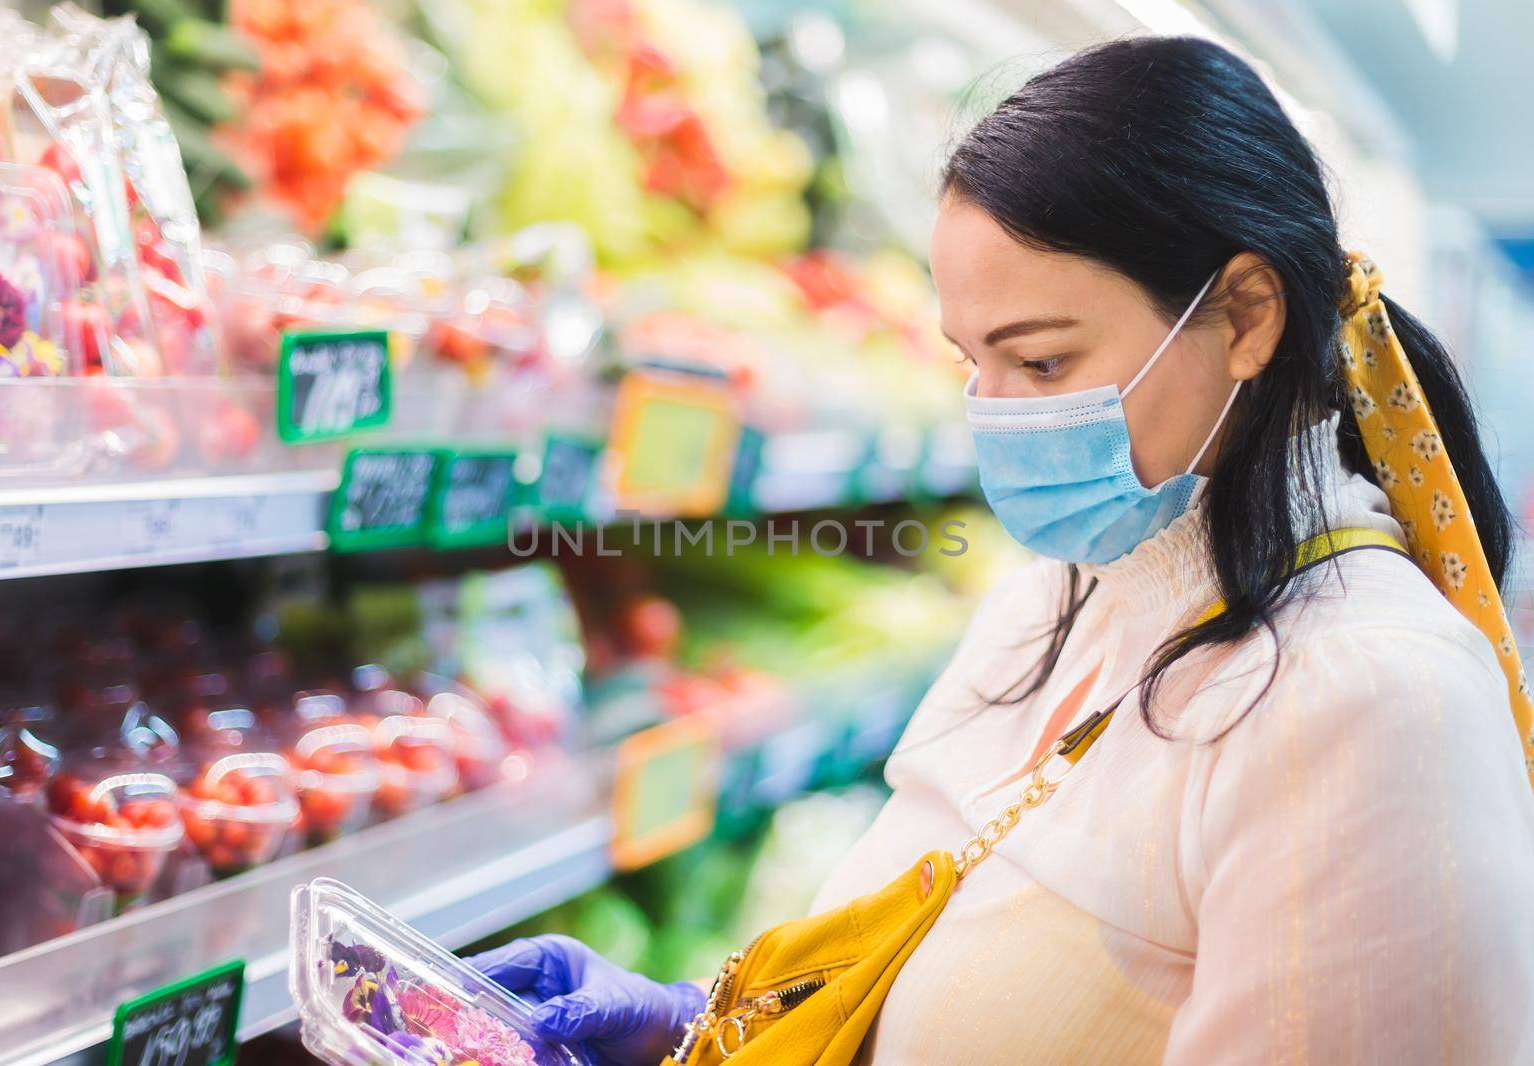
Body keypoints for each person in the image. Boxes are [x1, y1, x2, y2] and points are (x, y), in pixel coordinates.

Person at [473, 35, 1534, 1064]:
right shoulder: (1062, 595)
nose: (996, 416)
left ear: (1246, 316)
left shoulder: (1369, 703)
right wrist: (702, 1023)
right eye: (969, 361)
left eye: (1038, 361)